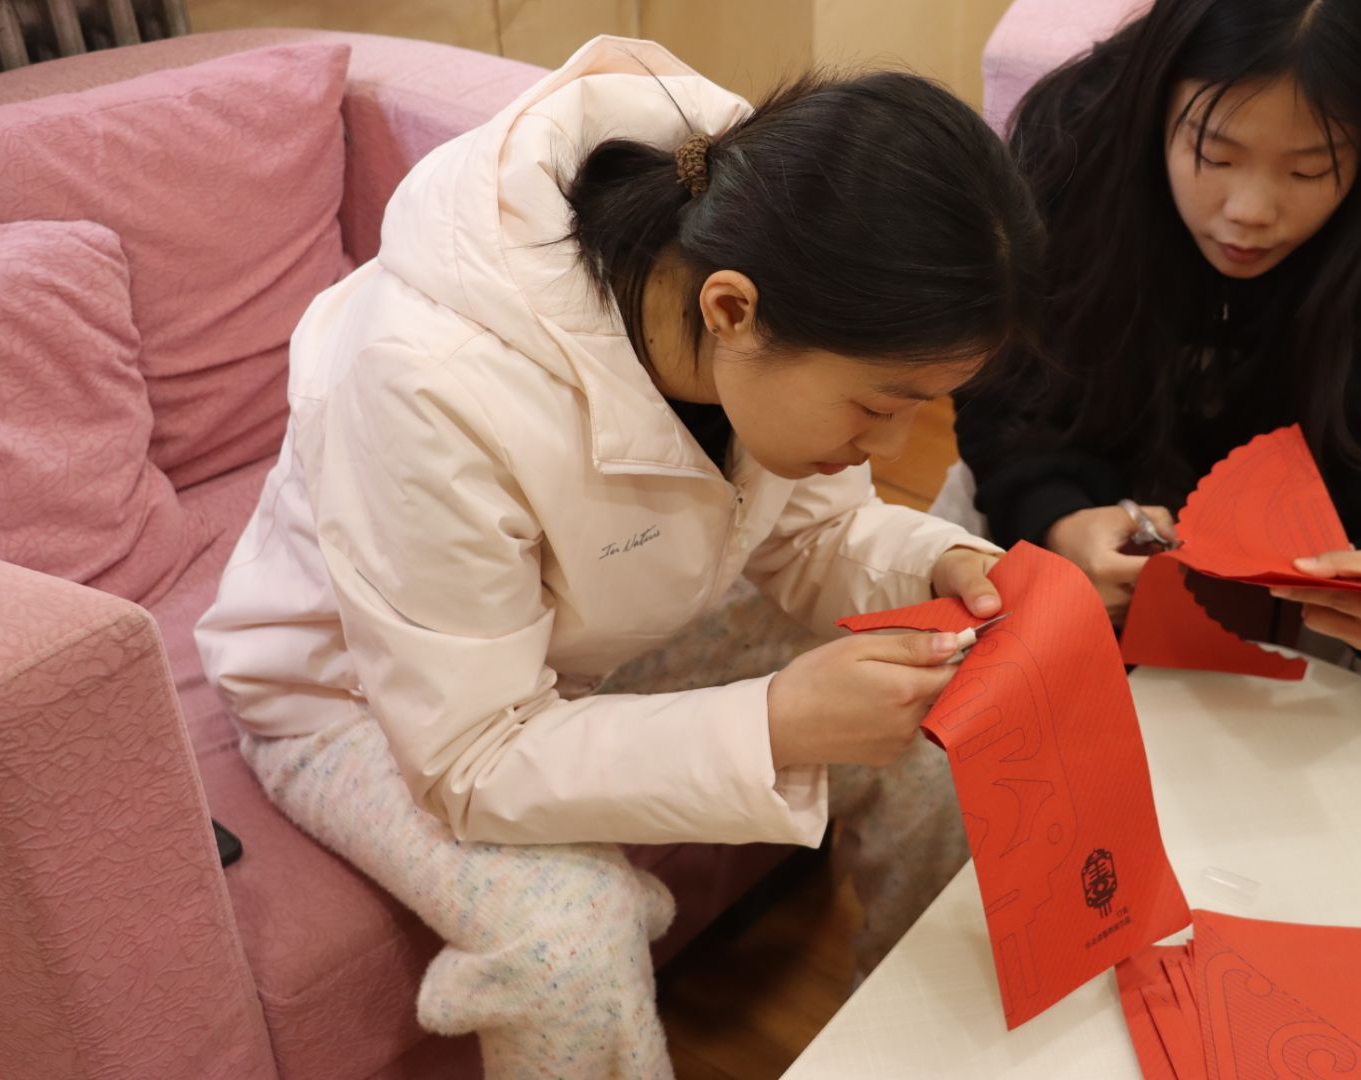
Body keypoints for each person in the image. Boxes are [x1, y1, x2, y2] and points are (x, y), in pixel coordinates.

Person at [195, 36, 1043, 1078]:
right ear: (730, 309)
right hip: (361, 701)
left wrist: (939, 564)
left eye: (922, 407)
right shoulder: (428, 384)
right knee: (568, 943)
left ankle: (926, 1049)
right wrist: (775, 723)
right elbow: (471, 756)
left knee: (938, 687)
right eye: (878, 405)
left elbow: (813, 530)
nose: (894, 443)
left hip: (577, 644)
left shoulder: (765, 244)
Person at [952, 0, 1361, 666]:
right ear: (1159, 96)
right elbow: (1006, 374)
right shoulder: (1077, 133)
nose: (1250, 212)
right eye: (1214, 153)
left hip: (1351, 530)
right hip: (1100, 488)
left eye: (1308, 169)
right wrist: (1056, 517)